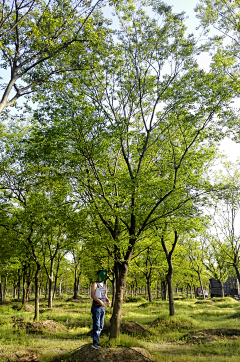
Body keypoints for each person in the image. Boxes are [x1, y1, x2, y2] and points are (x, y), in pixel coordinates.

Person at [91, 269, 111, 350]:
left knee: (101, 326)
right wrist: (99, 300)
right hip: (96, 308)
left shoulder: (104, 285)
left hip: (103, 308)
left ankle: (96, 340)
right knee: (97, 325)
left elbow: (105, 296)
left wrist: (108, 300)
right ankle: (95, 342)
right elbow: (92, 295)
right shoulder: (95, 284)